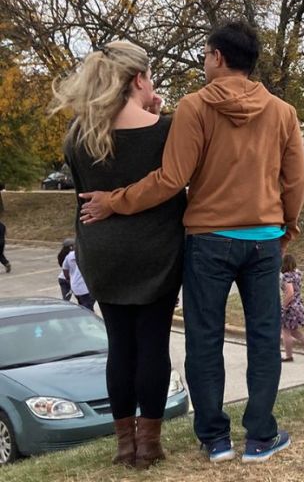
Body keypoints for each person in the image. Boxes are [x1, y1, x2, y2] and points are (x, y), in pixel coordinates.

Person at [78, 21, 304, 464]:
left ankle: (215, 439)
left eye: (205, 55)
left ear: (218, 57)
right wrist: (288, 227)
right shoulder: (283, 111)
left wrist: (115, 201)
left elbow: (171, 179)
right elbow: (294, 180)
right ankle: (260, 436)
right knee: (263, 337)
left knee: (205, 338)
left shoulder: (194, 107)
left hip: (208, 239)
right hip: (263, 238)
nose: (204, 62)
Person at [51, 41, 186, 469]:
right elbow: (173, 180)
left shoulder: (79, 134)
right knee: (153, 345)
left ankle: (124, 445)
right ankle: (150, 444)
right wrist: (156, 112)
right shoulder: (166, 129)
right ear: (139, 79)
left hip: (102, 250)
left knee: (119, 347)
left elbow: (79, 190)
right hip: (158, 251)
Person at [280, 254, 304, 362]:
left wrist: (284, 306)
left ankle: (288, 356)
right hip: (298, 304)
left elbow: (290, 292)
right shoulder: (298, 273)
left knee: (285, 330)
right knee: (293, 330)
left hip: (290, 306)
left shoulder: (287, 276)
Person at [60, 244, 96, 311]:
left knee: (83, 306)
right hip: (87, 288)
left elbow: (65, 269)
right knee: (88, 309)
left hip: (76, 287)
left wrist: (69, 279)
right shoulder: (88, 254)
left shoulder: (70, 256)